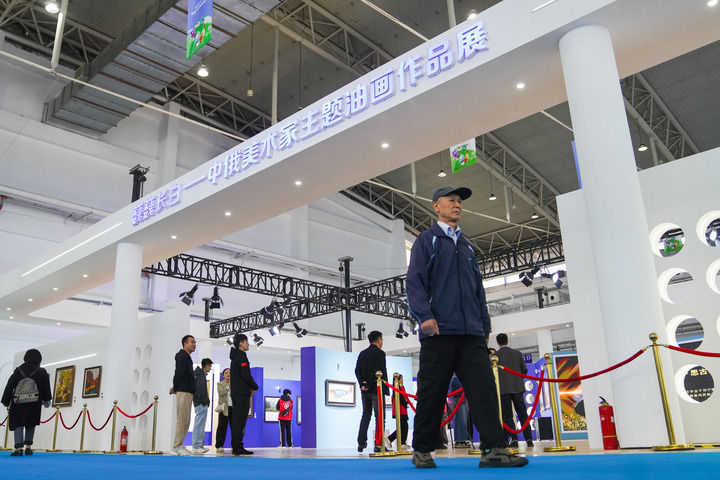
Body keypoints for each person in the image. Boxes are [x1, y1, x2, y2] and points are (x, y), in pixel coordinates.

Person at [406, 186, 528, 469]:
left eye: (459, 201)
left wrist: (484, 326)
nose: (457, 204)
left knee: (484, 390)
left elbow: (477, 291)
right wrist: (424, 316)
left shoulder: (467, 246)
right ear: (436, 206)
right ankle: (422, 450)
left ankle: (494, 449)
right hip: (439, 332)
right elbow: (414, 282)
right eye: (451, 200)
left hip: (471, 333)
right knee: (432, 393)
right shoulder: (427, 240)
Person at [1, 349, 52, 456]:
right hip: (34, 403)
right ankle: (28, 447)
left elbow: (9, 386)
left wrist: (5, 401)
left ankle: (18, 448)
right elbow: (46, 387)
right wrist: (47, 400)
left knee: (18, 424)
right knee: (31, 423)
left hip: (18, 403)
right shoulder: (41, 372)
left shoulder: (18, 371)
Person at [495, 333, 533, 448]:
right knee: (522, 414)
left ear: (497, 343)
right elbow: (524, 370)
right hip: (518, 388)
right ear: (507, 341)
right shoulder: (517, 354)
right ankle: (529, 439)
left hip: (503, 390)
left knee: (507, 416)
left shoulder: (495, 356)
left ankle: (514, 439)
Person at [354, 330, 389, 453]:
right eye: (381, 340)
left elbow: (357, 370)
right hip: (376, 389)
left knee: (366, 415)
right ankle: (378, 444)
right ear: (379, 340)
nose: (382, 342)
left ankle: (361, 443)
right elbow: (378, 371)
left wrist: (362, 384)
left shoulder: (362, 354)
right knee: (380, 417)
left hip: (365, 391)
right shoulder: (380, 354)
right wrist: (368, 383)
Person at [230, 333, 258, 455]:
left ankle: (237, 446)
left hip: (238, 393)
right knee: (239, 421)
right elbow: (246, 375)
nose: (248, 344)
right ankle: (237, 447)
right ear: (241, 343)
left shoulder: (236, 356)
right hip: (241, 393)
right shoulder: (241, 357)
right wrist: (255, 386)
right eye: (246, 342)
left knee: (238, 421)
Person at [169, 334, 196, 455]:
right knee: (182, 420)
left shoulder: (187, 357)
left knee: (186, 421)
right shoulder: (181, 356)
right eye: (192, 342)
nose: (194, 344)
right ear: (185, 344)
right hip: (183, 391)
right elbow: (178, 373)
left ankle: (180, 444)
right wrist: (175, 387)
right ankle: (176, 446)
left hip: (188, 391)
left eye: (195, 342)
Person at [191, 357, 213, 454]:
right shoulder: (200, 375)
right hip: (200, 403)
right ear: (206, 366)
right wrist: (203, 402)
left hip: (201, 403)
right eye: (210, 366)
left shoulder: (201, 374)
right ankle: (196, 446)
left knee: (201, 425)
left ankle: (199, 445)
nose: (210, 368)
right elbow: (199, 390)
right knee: (199, 424)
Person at [387, 374, 409, 450]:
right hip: (400, 409)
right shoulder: (398, 387)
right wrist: (406, 402)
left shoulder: (400, 387)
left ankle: (392, 439)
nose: (403, 380)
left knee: (402, 427)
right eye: (402, 378)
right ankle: (401, 442)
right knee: (404, 426)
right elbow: (401, 398)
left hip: (401, 409)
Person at [450, 375, 471, 448]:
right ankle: (460, 440)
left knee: (464, 419)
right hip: (459, 397)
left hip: (463, 397)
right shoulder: (455, 378)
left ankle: (463, 439)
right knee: (460, 419)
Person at [215, 368, 232, 453]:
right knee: (222, 427)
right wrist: (228, 387)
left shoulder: (235, 383)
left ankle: (235, 446)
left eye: (230, 373)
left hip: (233, 408)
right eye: (226, 373)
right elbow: (221, 392)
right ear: (223, 375)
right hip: (224, 408)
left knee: (235, 428)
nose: (228, 374)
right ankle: (219, 446)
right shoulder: (220, 384)